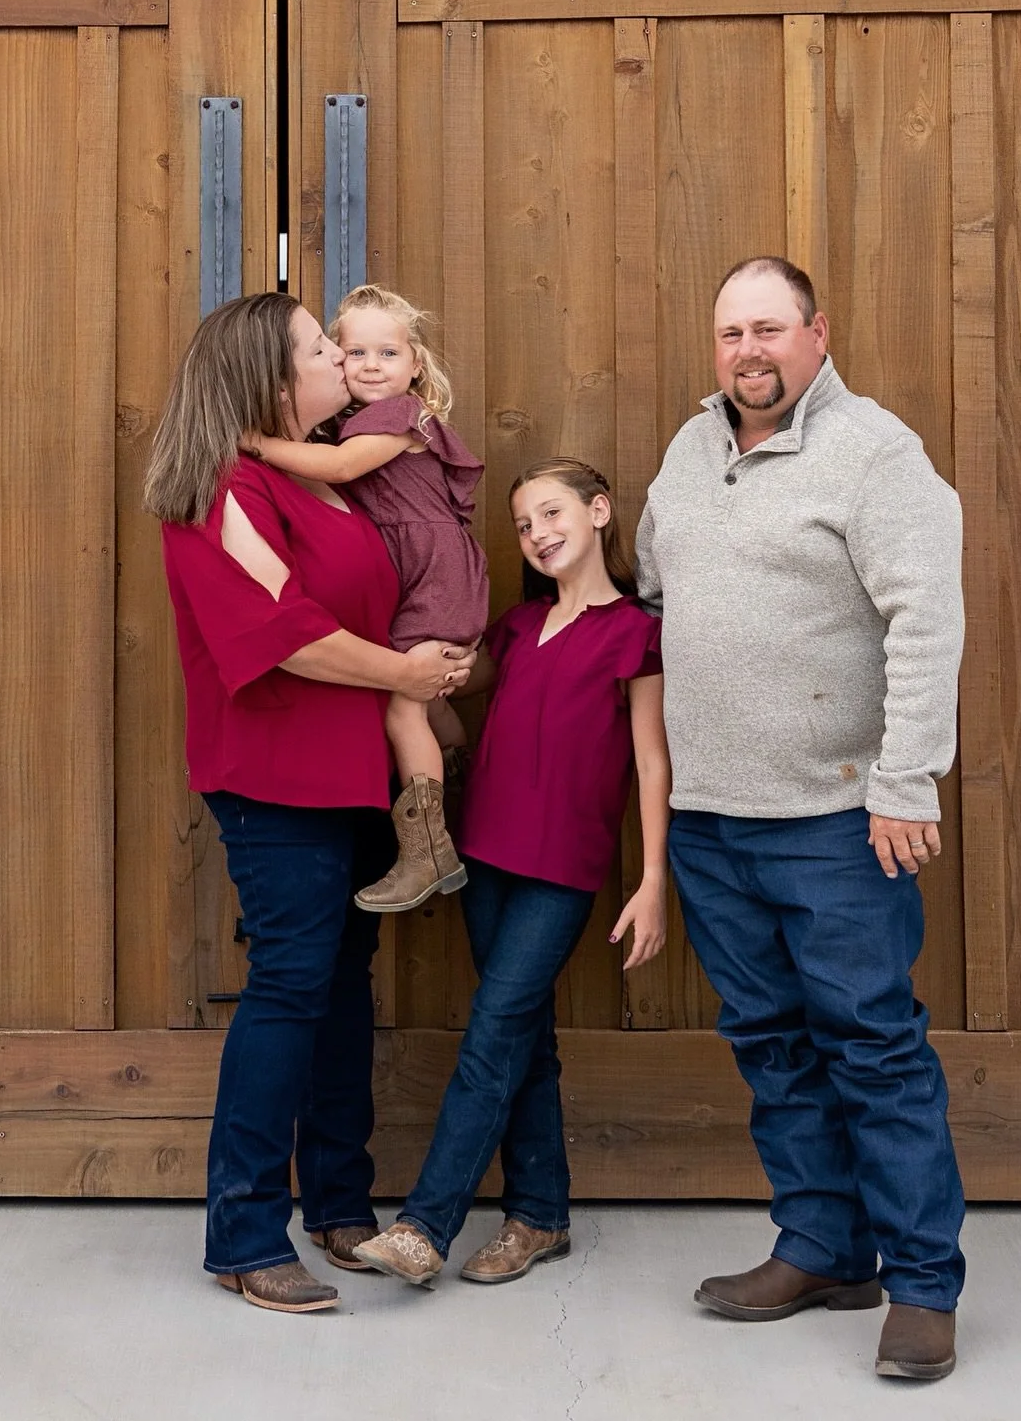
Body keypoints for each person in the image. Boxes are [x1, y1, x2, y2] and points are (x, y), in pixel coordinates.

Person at [636, 257, 967, 1382]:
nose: (747, 353)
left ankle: (922, 1285)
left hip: (835, 818)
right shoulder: (691, 452)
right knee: (773, 1047)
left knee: (873, 1049)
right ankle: (824, 1246)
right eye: (730, 333)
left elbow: (927, 621)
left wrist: (906, 780)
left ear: (817, 334)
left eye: (768, 329)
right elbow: (659, 593)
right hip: (711, 819)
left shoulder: (877, 454)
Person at [144, 292, 475, 1315]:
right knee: (292, 987)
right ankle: (244, 1234)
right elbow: (283, 632)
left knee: (337, 992)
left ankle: (336, 1204)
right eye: (320, 348)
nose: (341, 358)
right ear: (272, 380)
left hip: (348, 779)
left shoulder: (336, 483)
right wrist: (407, 677)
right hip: (272, 779)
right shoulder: (223, 487)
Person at [353, 459, 670, 1288]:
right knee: (522, 1035)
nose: (537, 535)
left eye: (553, 513)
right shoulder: (515, 628)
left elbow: (652, 763)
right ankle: (539, 1215)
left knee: (494, 1032)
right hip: (482, 854)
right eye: (524, 525)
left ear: (600, 511)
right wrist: (400, 670)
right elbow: (444, 697)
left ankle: (426, 1226)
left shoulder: (637, 632)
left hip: (562, 870)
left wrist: (652, 882)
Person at [246, 284, 488, 912]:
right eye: (355, 353)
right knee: (424, 703)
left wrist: (257, 446)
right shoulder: (359, 420)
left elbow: (344, 468)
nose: (372, 366)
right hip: (429, 575)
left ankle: (429, 852)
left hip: (435, 575)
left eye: (388, 352)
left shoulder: (399, 416)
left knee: (401, 709)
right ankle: (454, 768)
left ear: (415, 365)